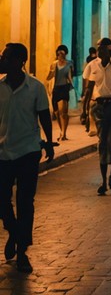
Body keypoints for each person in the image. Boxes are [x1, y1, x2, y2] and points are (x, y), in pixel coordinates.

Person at [0, 43, 56, 274]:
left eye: (5, 57)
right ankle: (14, 231)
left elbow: (44, 116)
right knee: (2, 200)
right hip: (3, 152)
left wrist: (49, 143)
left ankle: (22, 250)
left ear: (18, 61)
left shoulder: (35, 87)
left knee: (25, 202)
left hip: (28, 151)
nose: (1, 60)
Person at [81, 38, 111, 195]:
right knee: (102, 141)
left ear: (109, 50)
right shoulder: (92, 65)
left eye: (103, 48)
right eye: (98, 48)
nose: (100, 51)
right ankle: (103, 181)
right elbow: (89, 88)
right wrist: (84, 109)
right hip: (99, 106)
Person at [46, 45, 74, 141]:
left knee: (63, 112)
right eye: (59, 54)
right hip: (56, 89)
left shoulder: (69, 63)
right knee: (57, 112)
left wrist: (71, 84)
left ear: (65, 54)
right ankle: (61, 130)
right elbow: (48, 78)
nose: (61, 56)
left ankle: (64, 133)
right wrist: (52, 71)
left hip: (64, 88)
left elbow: (70, 76)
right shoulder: (54, 64)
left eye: (62, 53)